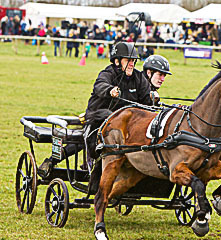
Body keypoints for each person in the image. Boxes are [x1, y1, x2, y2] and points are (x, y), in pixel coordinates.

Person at [38, 42, 152, 178]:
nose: (132, 64)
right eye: (128, 60)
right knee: (81, 139)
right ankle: (53, 161)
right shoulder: (107, 74)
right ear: (117, 61)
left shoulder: (139, 79)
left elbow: (147, 103)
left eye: (133, 61)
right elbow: (100, 86)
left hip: (126, 123)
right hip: (98, 117)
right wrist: (110, 90)